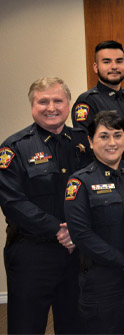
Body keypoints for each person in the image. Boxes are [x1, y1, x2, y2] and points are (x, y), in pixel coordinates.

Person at [0, 77, 92, 334]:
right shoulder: (14, 148)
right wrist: (60, 229)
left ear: (68, 104)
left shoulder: (84, 142)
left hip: (79, 253)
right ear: (32, 105)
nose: (51, 107)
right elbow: (13, 202)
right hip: (33, 252)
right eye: (43, 101)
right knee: (26, 324)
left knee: (76, 322)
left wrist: (79, 232)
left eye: (58, 100)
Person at [64, 110, 124, 333]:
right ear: (90, 141)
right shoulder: (80, 182)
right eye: (104, 136)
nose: (112, 142)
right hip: (103, 280)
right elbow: (81, 234)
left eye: (118, 135)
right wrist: (123, 262)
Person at [71, 40, 124, 131]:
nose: (114, 66)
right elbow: (86, 141)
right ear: (96, 67)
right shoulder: (87, 102)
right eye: (107, 62)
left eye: (119, 61)